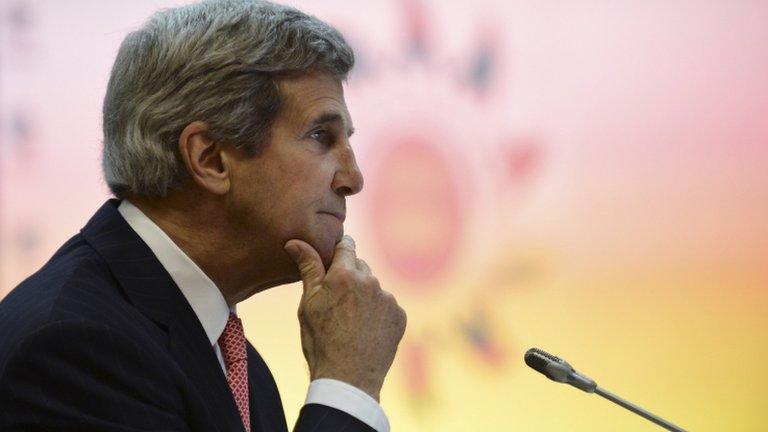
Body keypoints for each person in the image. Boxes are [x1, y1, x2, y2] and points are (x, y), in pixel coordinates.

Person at [0, 1, 407, 431]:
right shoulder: (76, 348)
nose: (353, 178)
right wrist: (348, 385)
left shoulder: (239, 368)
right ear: (210, 158)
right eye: (321, 137)